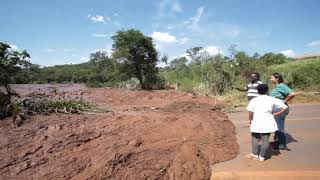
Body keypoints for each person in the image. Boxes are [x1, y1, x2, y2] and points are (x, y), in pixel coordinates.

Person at [246, 84, 288, 161]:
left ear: (258, 91)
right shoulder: (272, 99)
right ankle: (262, 157)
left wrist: (250, 120)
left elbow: (250, 112)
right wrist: (276, 113)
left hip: (257, 121)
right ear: (267, 90)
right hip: (268, 121)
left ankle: (254, 154)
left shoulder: (254, 100)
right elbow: (285, 107)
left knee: (255, 137)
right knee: (265, 139)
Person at [270, 72, 296, 150]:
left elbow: (292, 94)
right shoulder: (277, 86)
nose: (270, 79)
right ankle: (277, 141)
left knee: (279, 127)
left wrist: (284, 101)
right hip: (277, 109)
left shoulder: (281, 86)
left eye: (272, 78)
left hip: (281, 109)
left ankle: (282, 145)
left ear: (277, 78)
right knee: (276, 126)